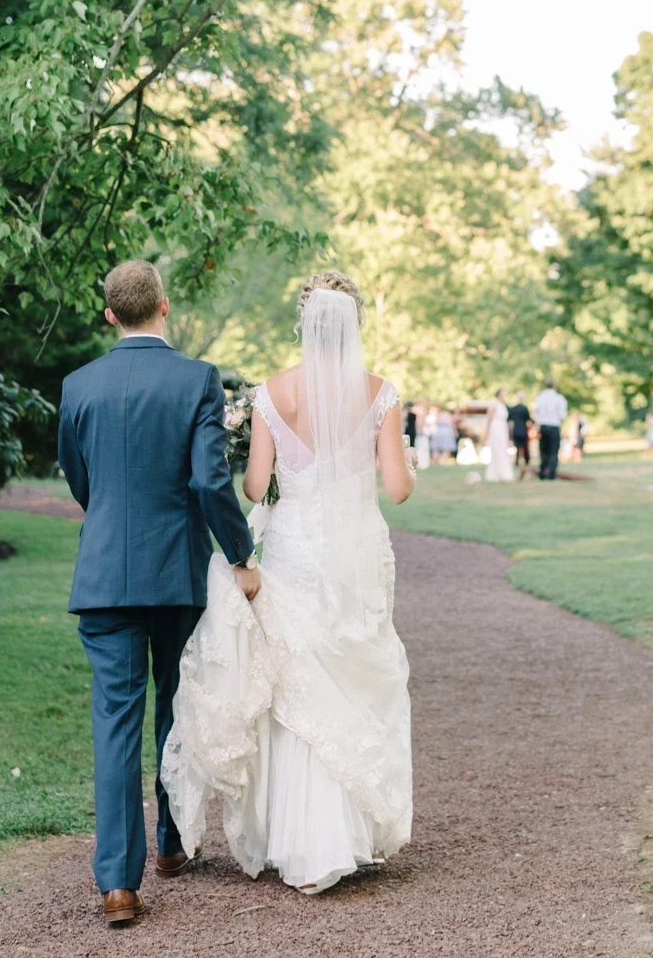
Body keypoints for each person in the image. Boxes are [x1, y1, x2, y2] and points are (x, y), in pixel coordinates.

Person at [163, 270, 415, 894]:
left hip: (297, 550)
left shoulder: (272, 395)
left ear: (303, 324)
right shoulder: (380, 393)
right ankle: (344, 836)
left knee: (295, 684)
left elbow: (253, 487)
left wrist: (271, 460)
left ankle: (295, 840)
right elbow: (400, 489)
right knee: (350, 681)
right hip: (354, 555)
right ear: (353, 325)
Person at [58, 260, 260, 928]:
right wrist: (240, 554)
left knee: (115, 724)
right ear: (164, 307)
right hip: (176, 572)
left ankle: (118, 883)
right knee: (177, 705)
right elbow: (209, 482)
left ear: (110, 313)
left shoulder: (78, 385)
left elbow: (81, 479)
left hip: (105, 574)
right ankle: (172, 845)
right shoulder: (196, 379)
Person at [535, 378, 568, 480]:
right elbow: (562, 415)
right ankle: (551, 474)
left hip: (543, 427)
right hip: (554, 426)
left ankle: (542, 472)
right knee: (553, 451)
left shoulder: (540, 398)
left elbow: (536, 412)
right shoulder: (559, 398)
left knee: (543, 450)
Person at [483, 388, 515, 481]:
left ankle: (503, 473)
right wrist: (487, 432)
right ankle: (495, 474)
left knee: (503, 449)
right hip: (496, 428)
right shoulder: (494, 403)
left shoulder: (503, 405)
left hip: (503, 428)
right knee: (497, 449)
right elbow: (489, 418)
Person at [508, 392, 533, 477]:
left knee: (517, 447)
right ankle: (526, 462)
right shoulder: (524, 408)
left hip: (516, 430)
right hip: (523, 430)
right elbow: (528, 419)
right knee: (525, 447)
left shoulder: (513, 409)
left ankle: (517, 462)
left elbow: (510, 420)